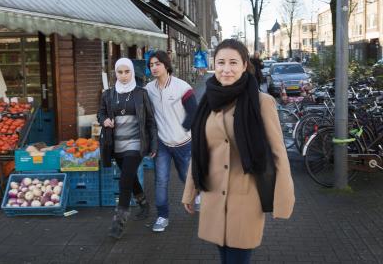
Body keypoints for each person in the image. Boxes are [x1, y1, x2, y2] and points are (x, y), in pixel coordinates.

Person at [182, 39, 295, 264]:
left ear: (245, 65)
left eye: (233, 62)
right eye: (221, 62)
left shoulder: (261, 102)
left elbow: (278, 153)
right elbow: (199, 150)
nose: (226, 69)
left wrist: (283, 199)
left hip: (246, 199)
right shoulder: (207, 101)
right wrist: (190, 190)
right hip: (213, 196)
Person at [97, 58, 158, 239]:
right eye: (120, 72)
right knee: (130, 179)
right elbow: (101, 112)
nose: (123, 76)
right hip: (115, 145)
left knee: (124, 181)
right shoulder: (108, 94)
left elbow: (150, 121)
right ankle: (144, 203)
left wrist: (153, 144)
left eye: (127, 72)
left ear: (132, 72)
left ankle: (119, 222)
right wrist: (104, 120)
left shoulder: (141, 93)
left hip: (135, 144)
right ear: (115, 73)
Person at [145, 50, 198, 232]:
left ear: (166, 65)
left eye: (157, 64)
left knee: (186, 177)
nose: (154, 67)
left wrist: (183, 129)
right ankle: (162, 216)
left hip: (184, 143)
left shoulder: (182, 87)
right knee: (161, 180)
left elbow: (194, 112)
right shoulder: (148, 89)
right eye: (151, 65)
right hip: (162, 144)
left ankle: (196, 195)